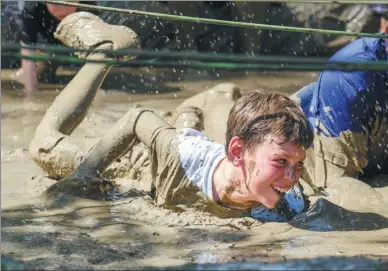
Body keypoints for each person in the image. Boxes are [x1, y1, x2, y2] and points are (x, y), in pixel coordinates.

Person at [29, 12, 313, 220]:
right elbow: (137, 118)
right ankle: (105, 50)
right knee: (43, 147)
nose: (291, 177)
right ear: (238, 153)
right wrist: (84, 177)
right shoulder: (181, 155)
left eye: (297, 165)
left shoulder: (290, 200)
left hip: (199, 144)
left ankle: (201, 106)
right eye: (281, 162)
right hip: (138, 158)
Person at [18, 1, 98, 92]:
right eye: (56, 3)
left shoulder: (89, 7)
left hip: (77, 44)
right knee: (23, 75)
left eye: (69, 2)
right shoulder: (33, 7)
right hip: (49, 44)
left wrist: (94, 90)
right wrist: (31, 91)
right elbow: (27, 46)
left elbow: (95, 50)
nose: (63, 9)